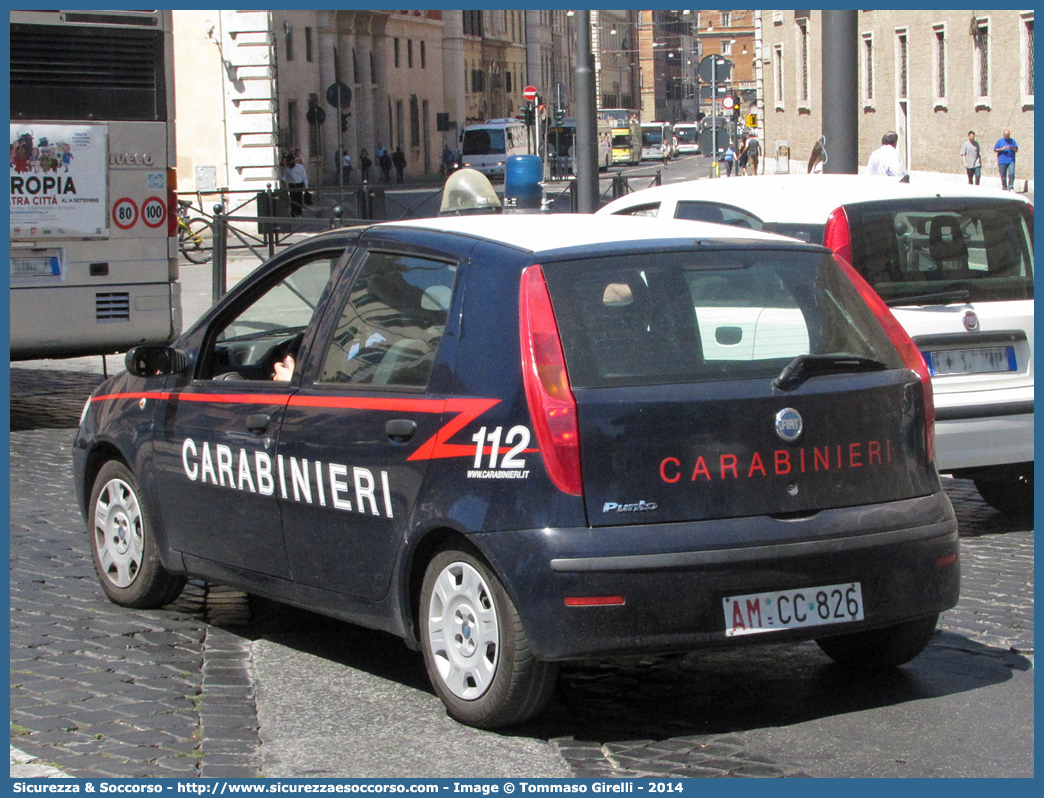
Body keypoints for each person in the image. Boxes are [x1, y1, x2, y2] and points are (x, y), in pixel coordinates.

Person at [280, 152, 308, 218]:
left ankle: (299, 213)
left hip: (299, 185)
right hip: (292, 185)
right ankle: (293, 213)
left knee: (299, 199)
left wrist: (306, 187)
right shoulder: (287, 169)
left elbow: (304, 177)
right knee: (293, 200)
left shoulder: (300, 167)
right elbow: (284, 178)